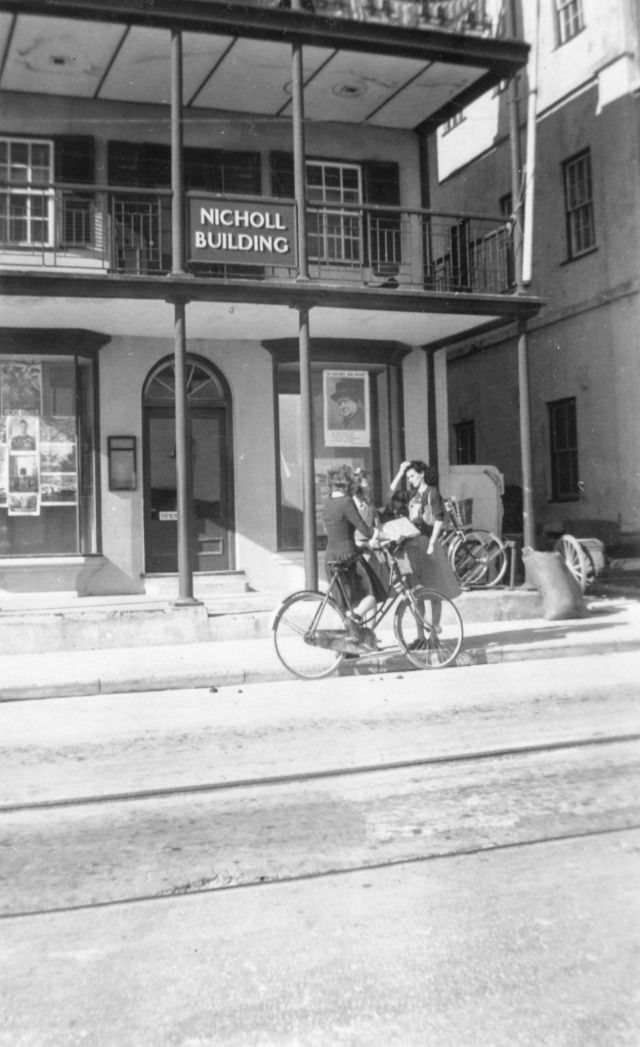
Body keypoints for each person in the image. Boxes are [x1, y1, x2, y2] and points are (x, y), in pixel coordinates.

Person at [389, 459, 461, 645]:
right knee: (417, 594)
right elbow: (391, 492)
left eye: (412, 476)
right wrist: (401, 470)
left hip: (427, 544)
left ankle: (434, 635)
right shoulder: (413, 494)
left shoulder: (432, 493)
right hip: (413, 546)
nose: (410, 479)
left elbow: (438, 519)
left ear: (421, 475)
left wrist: (432, 543)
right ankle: (421, 634)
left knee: (434, 591)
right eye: (408, 477)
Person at [322, 464, 385, 649]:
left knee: (345, 604)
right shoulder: (346, 502)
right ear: (346, 483)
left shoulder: (328, 503)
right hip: (348, 558)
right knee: (373, 594)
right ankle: (354, 622)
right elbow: (363, 528)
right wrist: (377, 535)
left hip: (331, 558)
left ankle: (348, 645)